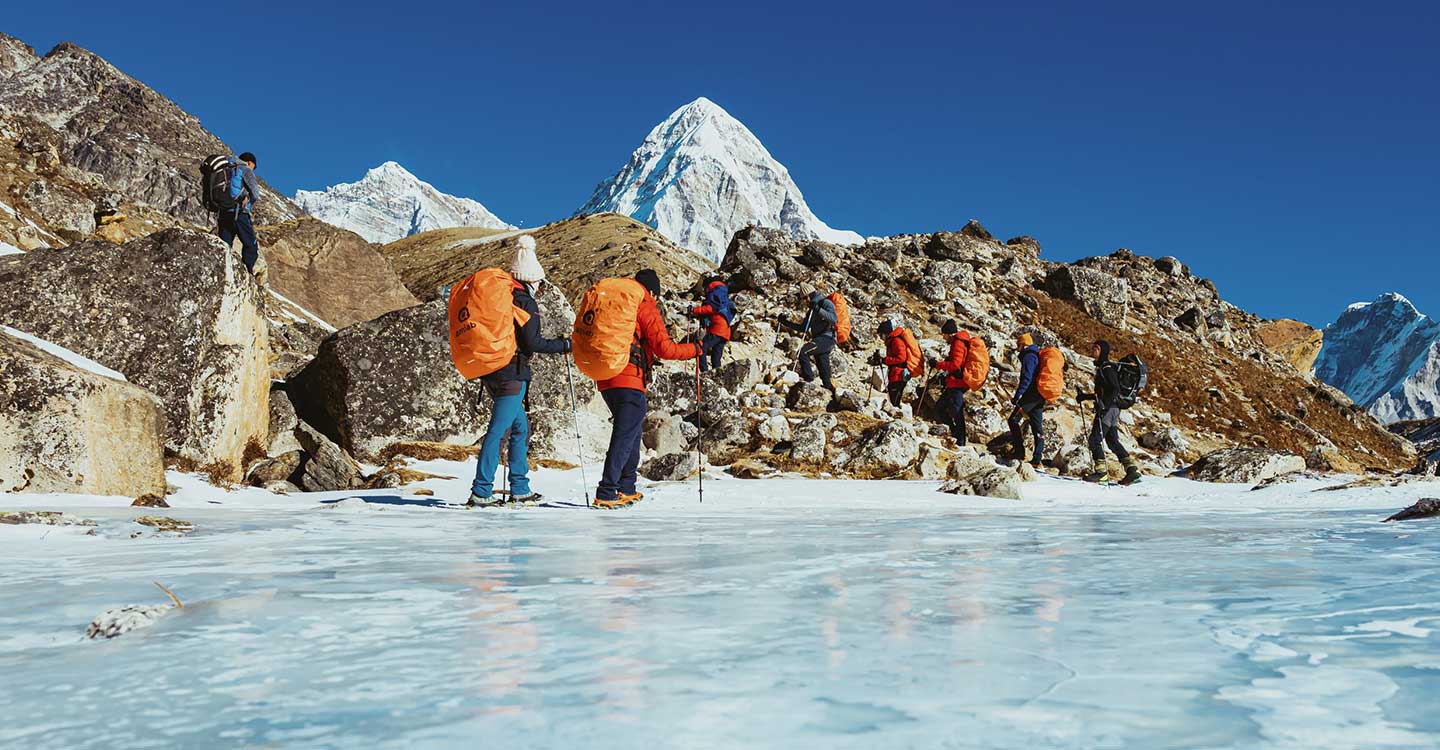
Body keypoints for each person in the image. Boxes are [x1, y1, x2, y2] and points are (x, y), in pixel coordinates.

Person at [468, 236, 572, 507]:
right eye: (538, 281)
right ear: (531, 279)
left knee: (519, 430)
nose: (539, 286)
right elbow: (532, 343)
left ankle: (520, 488)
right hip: (511, 374)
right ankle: (481, 491)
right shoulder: (525, 301)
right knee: (499, 431)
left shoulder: (502, 296)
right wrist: (564, 345)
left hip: (491, 371)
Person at [594, 269, 702, 509]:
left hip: (606, 377)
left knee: (631, 432)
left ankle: (627, 487)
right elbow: (665, 348)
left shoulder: (616, 303)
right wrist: (696, 349)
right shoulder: (643, 304)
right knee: (624, 436)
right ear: (652, 291)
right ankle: (607, 491)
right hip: (629, 377)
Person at [1079, 339, 1142, 485]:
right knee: (1112, 441)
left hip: (1108, 409)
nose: (1093, 350)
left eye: (1096, 348)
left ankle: (1101, 473)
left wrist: (1104, 405)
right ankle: (1132, 470)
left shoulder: (1106, 368)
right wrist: (1084, 397)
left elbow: (1114, 388)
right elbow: (1104, 391)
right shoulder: (1105, 367)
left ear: (1102, 351)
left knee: (1094, 440)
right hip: (1114, 409)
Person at [779, 285, 838, 392]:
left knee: (803, 352)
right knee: (822, 364)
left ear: (808, 296)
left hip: (827, 337)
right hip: (821, 340)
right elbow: (804, 328)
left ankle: (808, 380)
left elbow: (833, 319)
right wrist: (785, 323)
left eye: (803, 299)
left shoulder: (825, 303)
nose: (804, 302)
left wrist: (817, 308)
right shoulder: (811, 310)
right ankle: (829, 390)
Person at [216, 152, 262, 274]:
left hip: (223, 213)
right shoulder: (246, 169)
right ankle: (247, 274)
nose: (253, 169)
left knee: (224, 246)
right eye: (254, 166)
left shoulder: (225, 167)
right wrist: (248, 201)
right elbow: (256, 194)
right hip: (239, 213)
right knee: (251, 246)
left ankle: (222, 272)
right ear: (250, 162)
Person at [1007, 332, 1046, 468]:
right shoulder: (1035, 354)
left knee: (1013, 420)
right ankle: (1037, 459)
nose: (1017, 347)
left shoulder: (1029, 356)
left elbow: (1026, 378)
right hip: (1039, 395)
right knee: (1037, 426)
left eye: (1018, 345)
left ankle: (1019, 452)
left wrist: (1018, 395)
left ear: (1023, 345)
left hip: (1031, 396)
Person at [933, 319, 973, 444]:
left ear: (948, 333)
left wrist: (938, 364)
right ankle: (956, 434)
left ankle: (961, 441)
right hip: (955, 382)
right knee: (941, 408)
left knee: (956, 412)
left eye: (944, 335)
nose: (943, 338)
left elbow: (955, 365)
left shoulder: (957, 343)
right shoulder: (959, 342)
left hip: (957, 383)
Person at [691, 275, 732, 372]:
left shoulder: (714, 293)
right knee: (716, 356)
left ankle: (704, 372)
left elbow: (711, 308)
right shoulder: (722, 295)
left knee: (701, 348)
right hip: (725, 331)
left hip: (717, 329)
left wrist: (695, 310)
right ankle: (717, 376)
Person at [879, 319, 911, 408]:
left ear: (885, 333)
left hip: (899, 375)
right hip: (896, 374)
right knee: (893, 395)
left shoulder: (896, 341)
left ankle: (896, 416)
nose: (880, 337)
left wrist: (885, 360)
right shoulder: (892, 341)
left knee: (894, 397)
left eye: (880, 334)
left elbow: (901, 358)